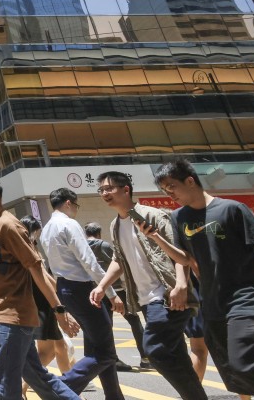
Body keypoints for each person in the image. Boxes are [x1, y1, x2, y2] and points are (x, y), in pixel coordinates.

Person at [141, 159, 254, 400]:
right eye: (164, 190)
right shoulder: (178, 217)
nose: (169, 193)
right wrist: (156, 238)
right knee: (237, 375)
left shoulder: (232, 209)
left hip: (249, 297)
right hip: (214, 304)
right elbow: (185, 258)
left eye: (172, 186)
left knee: (244, 364)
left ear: (190, 180)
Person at [87, 170, 206, 400]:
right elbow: (119, 260)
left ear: (126, 189)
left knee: (154, 350)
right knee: (178, 356)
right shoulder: (115, 225)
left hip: (166, 295)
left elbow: (180, 251)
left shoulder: (151, 215)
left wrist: (181, 284)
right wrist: (102, 286)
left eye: (109, 188)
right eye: (101, 190)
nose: (105, 193)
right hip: (144, 299)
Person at [0, 174, 81, 400]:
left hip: (12, 318)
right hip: (6, 316)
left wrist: (59, 310)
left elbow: (36, 269)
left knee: (2, 385)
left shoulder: (9, 225)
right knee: (40, 379)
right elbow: (1, 270)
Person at [39, 187, 124, 400]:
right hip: (83, 289)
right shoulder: (69, 224)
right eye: (76, 205)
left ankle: (114, 396)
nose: (76, 209)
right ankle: (60, 387)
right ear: (68, 202)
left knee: (98, 348)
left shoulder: (47, 228)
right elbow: (89, 261)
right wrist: (110, 292)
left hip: (66, 289)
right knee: (105, 351)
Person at [84, 222, 148, 371]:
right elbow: (119, 264)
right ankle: (145, 357)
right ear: (99, 233)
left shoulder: (83, 247)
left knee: (107, 325)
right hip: (116, 290)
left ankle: (113, 360)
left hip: (96, 291)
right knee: (134, 320)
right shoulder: (103, 245)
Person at [18, 217, 74, 383]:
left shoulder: (23, 247)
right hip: (43, 302)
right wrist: (60, 291)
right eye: (37, 231)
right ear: (32, 231)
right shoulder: (30, 247)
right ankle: (21, 384)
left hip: (40, 302)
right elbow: (43, 276)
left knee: (61, 348)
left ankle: (71, 384)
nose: (38, 235)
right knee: (48, 351)